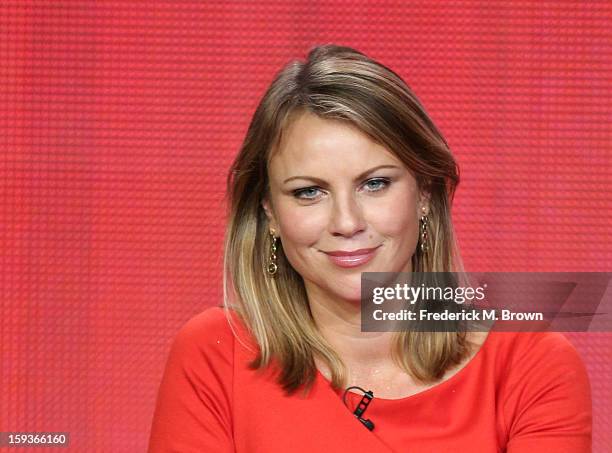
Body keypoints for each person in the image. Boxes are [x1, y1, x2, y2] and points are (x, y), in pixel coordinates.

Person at [147, 44, 592, 452]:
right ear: (268, 211)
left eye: (375, 183)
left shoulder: (531, 365)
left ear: (424, 193)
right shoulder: (216, 353)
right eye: (308, 192)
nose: (347, 222)